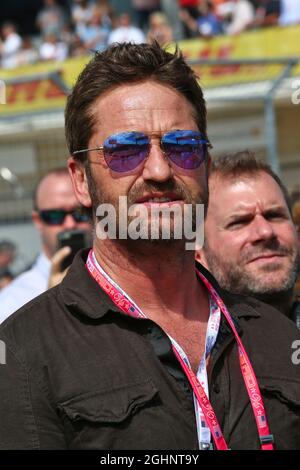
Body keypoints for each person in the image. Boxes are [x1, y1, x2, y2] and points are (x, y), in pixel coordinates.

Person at [0, 43, 299, 450]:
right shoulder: (23, 352)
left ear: (206, 168)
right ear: (81, 180)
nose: (159, 171)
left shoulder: (277, 335)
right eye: (125, 151)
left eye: (182, 147)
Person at [198, 151, 300, 327]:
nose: (265, 232)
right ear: (199, 254)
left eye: (275, 215)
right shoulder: (182, 349)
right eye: (239, 222)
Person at [0, 167, 91, 323]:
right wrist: (50, 306)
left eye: (80, 213)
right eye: (55, 216)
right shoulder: (11, 302)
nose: (69, 224)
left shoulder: (123, 280)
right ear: (38, 221)